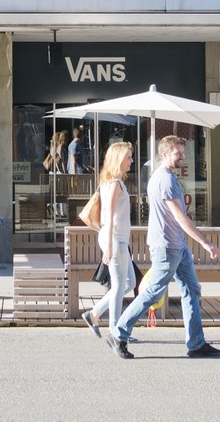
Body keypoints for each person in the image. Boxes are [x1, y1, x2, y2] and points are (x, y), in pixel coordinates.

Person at [110, 135, 220, 360]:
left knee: (192, 289)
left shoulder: (163, 177)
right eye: (177, 153)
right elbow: (179, 217)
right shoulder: (166, 180)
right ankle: (118, 333)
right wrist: (205, 241)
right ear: (164, 154)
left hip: (177, 245)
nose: (182, 156)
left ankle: (196, 343)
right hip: (167, 246)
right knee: (153, 292)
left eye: (182, 152)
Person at [83, 141, 135, 340]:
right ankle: (115, 329)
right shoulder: (113, 184)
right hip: (114, 239)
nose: (131, 160)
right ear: (119, 159)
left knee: (127, 283)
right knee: (121, 284)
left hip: (118, 239)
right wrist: (109, 247)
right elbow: (110, 214)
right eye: (128, 157)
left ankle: (95, 313)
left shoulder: (113, 182)